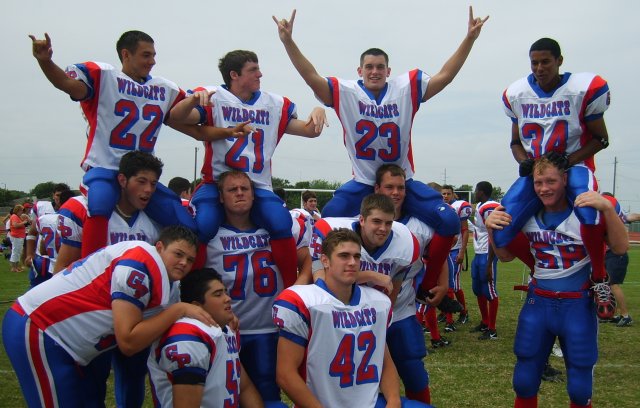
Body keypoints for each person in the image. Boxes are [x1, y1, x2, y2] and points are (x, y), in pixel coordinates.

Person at [272, 7, 488, 305]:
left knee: (449, 220)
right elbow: (311, 77)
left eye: (380, 67)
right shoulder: (347, 92)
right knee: (326, 224)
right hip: (363, 182)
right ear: (359, 71)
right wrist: (288, 42)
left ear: (389, 70)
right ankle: (323, 284)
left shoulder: (405, 88)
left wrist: (469, 39)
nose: (375, 71)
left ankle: (427, 285)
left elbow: (446, 76)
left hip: (402, 180)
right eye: (369, 67)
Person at [29, 31, 206, 260]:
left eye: (154, 55)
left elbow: (191, 120)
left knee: (187, 225)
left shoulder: (163, 88)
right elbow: (66, 83)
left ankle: (191, 281)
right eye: (146, 55)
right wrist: (45, 61)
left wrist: (219, 120)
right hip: (105, 167)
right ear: (126, 54)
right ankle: (92, 271)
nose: (153, 61)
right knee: (99, 204)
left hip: (142, 174)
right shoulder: (104, 77)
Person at [2, 225, 216, 408]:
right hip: (41, 328)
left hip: (71, 345)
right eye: (178, 254)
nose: (184, 263)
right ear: (159, 247)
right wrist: (178, 309)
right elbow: (128, 341)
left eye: (190, 259)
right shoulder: (139, 263)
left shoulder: (170, 284)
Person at [170, 49, 328, 289]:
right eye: (253, 70)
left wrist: (317, 111)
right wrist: (192, 100)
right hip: (216, 181)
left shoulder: (273, 104)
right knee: (204, 226)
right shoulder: (215, 97)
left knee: (280, 223)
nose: (260, 74)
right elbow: (178, 116)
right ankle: (194, 290)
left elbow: (310, 130)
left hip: (257, 183)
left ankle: (290, 290)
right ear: (234, 75)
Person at [485, 154, 628, 408]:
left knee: (580, 388)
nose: (544, 188)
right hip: (539, 301)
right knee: (524, 380)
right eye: (538, 182)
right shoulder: (527, 215)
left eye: (550, 181)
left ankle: (599, 281)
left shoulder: (586, 212)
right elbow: (505, 256)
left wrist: (606, 208)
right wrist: (491, 229)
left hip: (578, 304)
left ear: (565, 179)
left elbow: (620, 247)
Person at [495, 37, 614, 318]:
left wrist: (569, 160)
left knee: (589, 212)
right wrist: (524, 162)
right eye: (534, 63)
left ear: (559, 61)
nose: (539, 68)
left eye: (545, 62)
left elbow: (601, 138)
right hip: (538, 171)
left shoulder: (582, 89)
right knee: (501, 228)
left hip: (575, 165)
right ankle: (540, 271)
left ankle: (599, 277)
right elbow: (515, 143)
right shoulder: (517, 94)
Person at [52, 150, 165, 407]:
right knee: (92, 383)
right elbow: (64, 267)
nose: (148, 190)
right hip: (94, 314)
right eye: (141, 181)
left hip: (136, 313)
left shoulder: (156, 220)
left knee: (133, 379)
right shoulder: (84, 209)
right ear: (122, 180)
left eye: (153, 183)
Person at [274, 228, 432, 408]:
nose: (352, 262)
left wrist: (394, 401)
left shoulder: (377, 302)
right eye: (344, 256)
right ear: (325, 260)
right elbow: (285, 374)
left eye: (357, 257)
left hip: (370, 402)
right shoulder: (304, 302)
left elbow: (384, 361)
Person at [201, 170, 312, 404]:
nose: (239, 193)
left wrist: (294, 291)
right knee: (225, 396)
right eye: (232, 189)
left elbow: (310, 259)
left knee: (268, 393)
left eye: (245, 189)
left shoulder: (278, 230)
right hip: (226, 329)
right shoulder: (210, 236)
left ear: (254, 195)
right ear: (220, 197)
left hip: (267, 329)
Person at [148, 268, 287, 408]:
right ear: (197, 306)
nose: (228, 298)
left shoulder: (226, 330)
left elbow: (244, 387)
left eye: (225, 292)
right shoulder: (188, 337)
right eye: (218, 294)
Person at [373, 165, 442, 403]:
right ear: (377, 189)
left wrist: (442, 283)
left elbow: (437, 255)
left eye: (400, 187)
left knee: (414, 373)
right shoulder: (361, 222)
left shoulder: (420, 226)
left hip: (402, 309)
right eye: (389, 187)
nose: (395, 193)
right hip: (365, 315)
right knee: (366, 378)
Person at [469, 181, 500, 340]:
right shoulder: (481, 206)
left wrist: (489, 263)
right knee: (478, 289)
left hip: (487, 253)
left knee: (489, 291)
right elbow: (479, 229)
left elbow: (494, 234)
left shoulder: (490, 207)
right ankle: (485, 321)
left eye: (476, 190)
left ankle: (492, 329)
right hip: (478, 252)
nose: (475, 193)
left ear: (481, 192)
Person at [602, 192, 638, 327]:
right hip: (608, 254)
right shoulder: (609, 217)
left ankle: (626, 315)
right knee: (607, 285)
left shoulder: (617, 216)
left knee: (613, 284)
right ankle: (613, 313)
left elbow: (634, 216)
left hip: (617, 254)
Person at [24, 189, 75, 287]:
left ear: (59, 201)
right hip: (69, 269)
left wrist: (30, 254)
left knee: (37, 293)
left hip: (49, 264)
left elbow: (42, 249)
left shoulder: (44, 219)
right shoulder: (79, 221)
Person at [442, 185, 473, 329]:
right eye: (443, 194)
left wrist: (461, 251)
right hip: (444, 250)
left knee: (453, 285)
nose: (445, 196)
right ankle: (446, 312)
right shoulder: (441, 207)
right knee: (444, 284)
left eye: (448, 193)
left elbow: (465, 231)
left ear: (453, 194)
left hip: (455, 251)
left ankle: (461, 313)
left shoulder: (459, 207)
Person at [8, 204, 30, 272]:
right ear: (17, 210)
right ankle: (13, 267)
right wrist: (24, 222)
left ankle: (16, 266)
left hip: (19, 236)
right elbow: (15, 225)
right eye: (21, 210)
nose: (22, 212)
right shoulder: (14, 216)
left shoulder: (17, 216)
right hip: (16, 236)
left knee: (18, 251)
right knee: (15, 251)